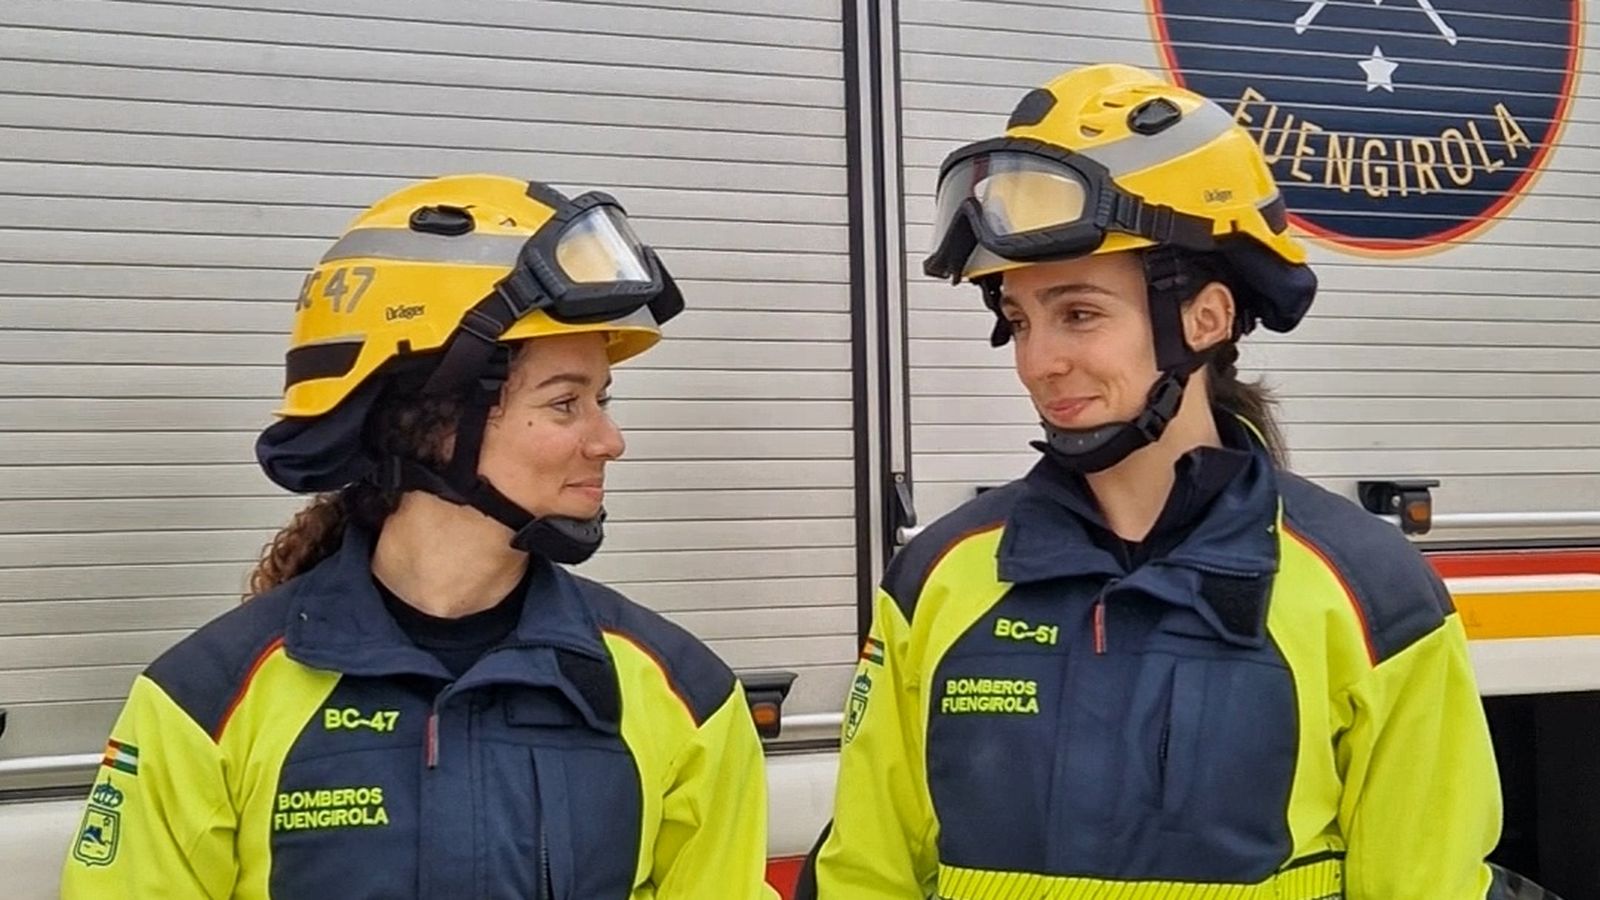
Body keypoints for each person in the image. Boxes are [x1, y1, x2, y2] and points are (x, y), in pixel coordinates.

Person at [806, 64, 1504, 899]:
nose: (1038, 361)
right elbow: (864, 874)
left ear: (1203, 318)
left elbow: (1427, 883)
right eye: (1020, 321)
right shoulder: (941, 578)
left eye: (1079, 314)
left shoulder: (1367, 593)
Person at [61, 174, 778, 899]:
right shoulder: (204, 704)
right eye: (565, 403)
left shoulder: (684, 702)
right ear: (432, 419)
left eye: (602, 400)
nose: (609, 441)